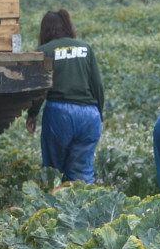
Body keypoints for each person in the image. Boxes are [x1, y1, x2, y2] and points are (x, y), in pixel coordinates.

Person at [24, 9, 105, 182]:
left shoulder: (44, 51)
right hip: (90, 114)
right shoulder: (85, 48)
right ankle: (84, 204)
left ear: (44, 30)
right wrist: (99, 113)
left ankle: (56, 206)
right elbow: (97, 85)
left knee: (55, 172)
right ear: (67, 26)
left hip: (60, 114)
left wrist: (33, 113)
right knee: (82, 171)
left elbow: (40, 89)